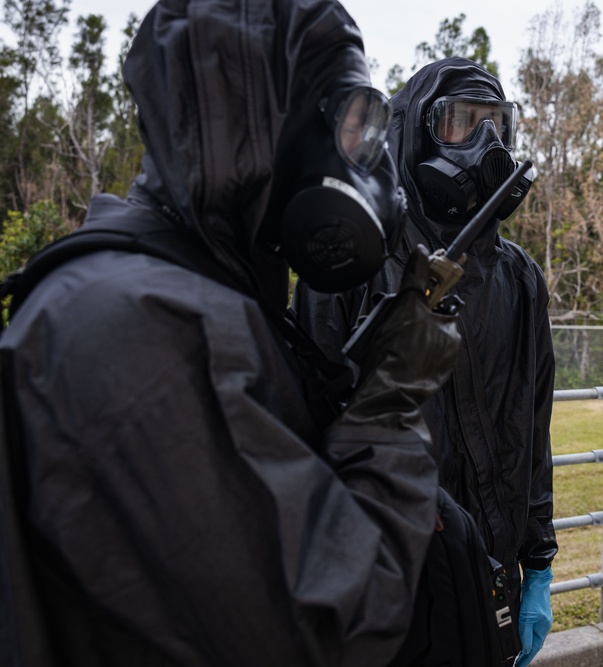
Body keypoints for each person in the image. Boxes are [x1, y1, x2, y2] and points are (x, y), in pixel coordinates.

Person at [0, 1, 462, 665]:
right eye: (350, 125)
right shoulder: (138, 328)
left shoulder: (193, 298)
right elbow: (329, 628)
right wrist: (388, 411)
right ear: (261, 128)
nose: (366, 161)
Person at [293, 56, 559, 666]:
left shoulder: (519, 278)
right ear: (414, 131)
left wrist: (538, 560)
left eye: (497, 124)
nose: (485, 142)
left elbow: (534, 425)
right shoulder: (350, 259)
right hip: (386, 576)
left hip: (491, 572)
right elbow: (305, 431)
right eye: (462, 122)